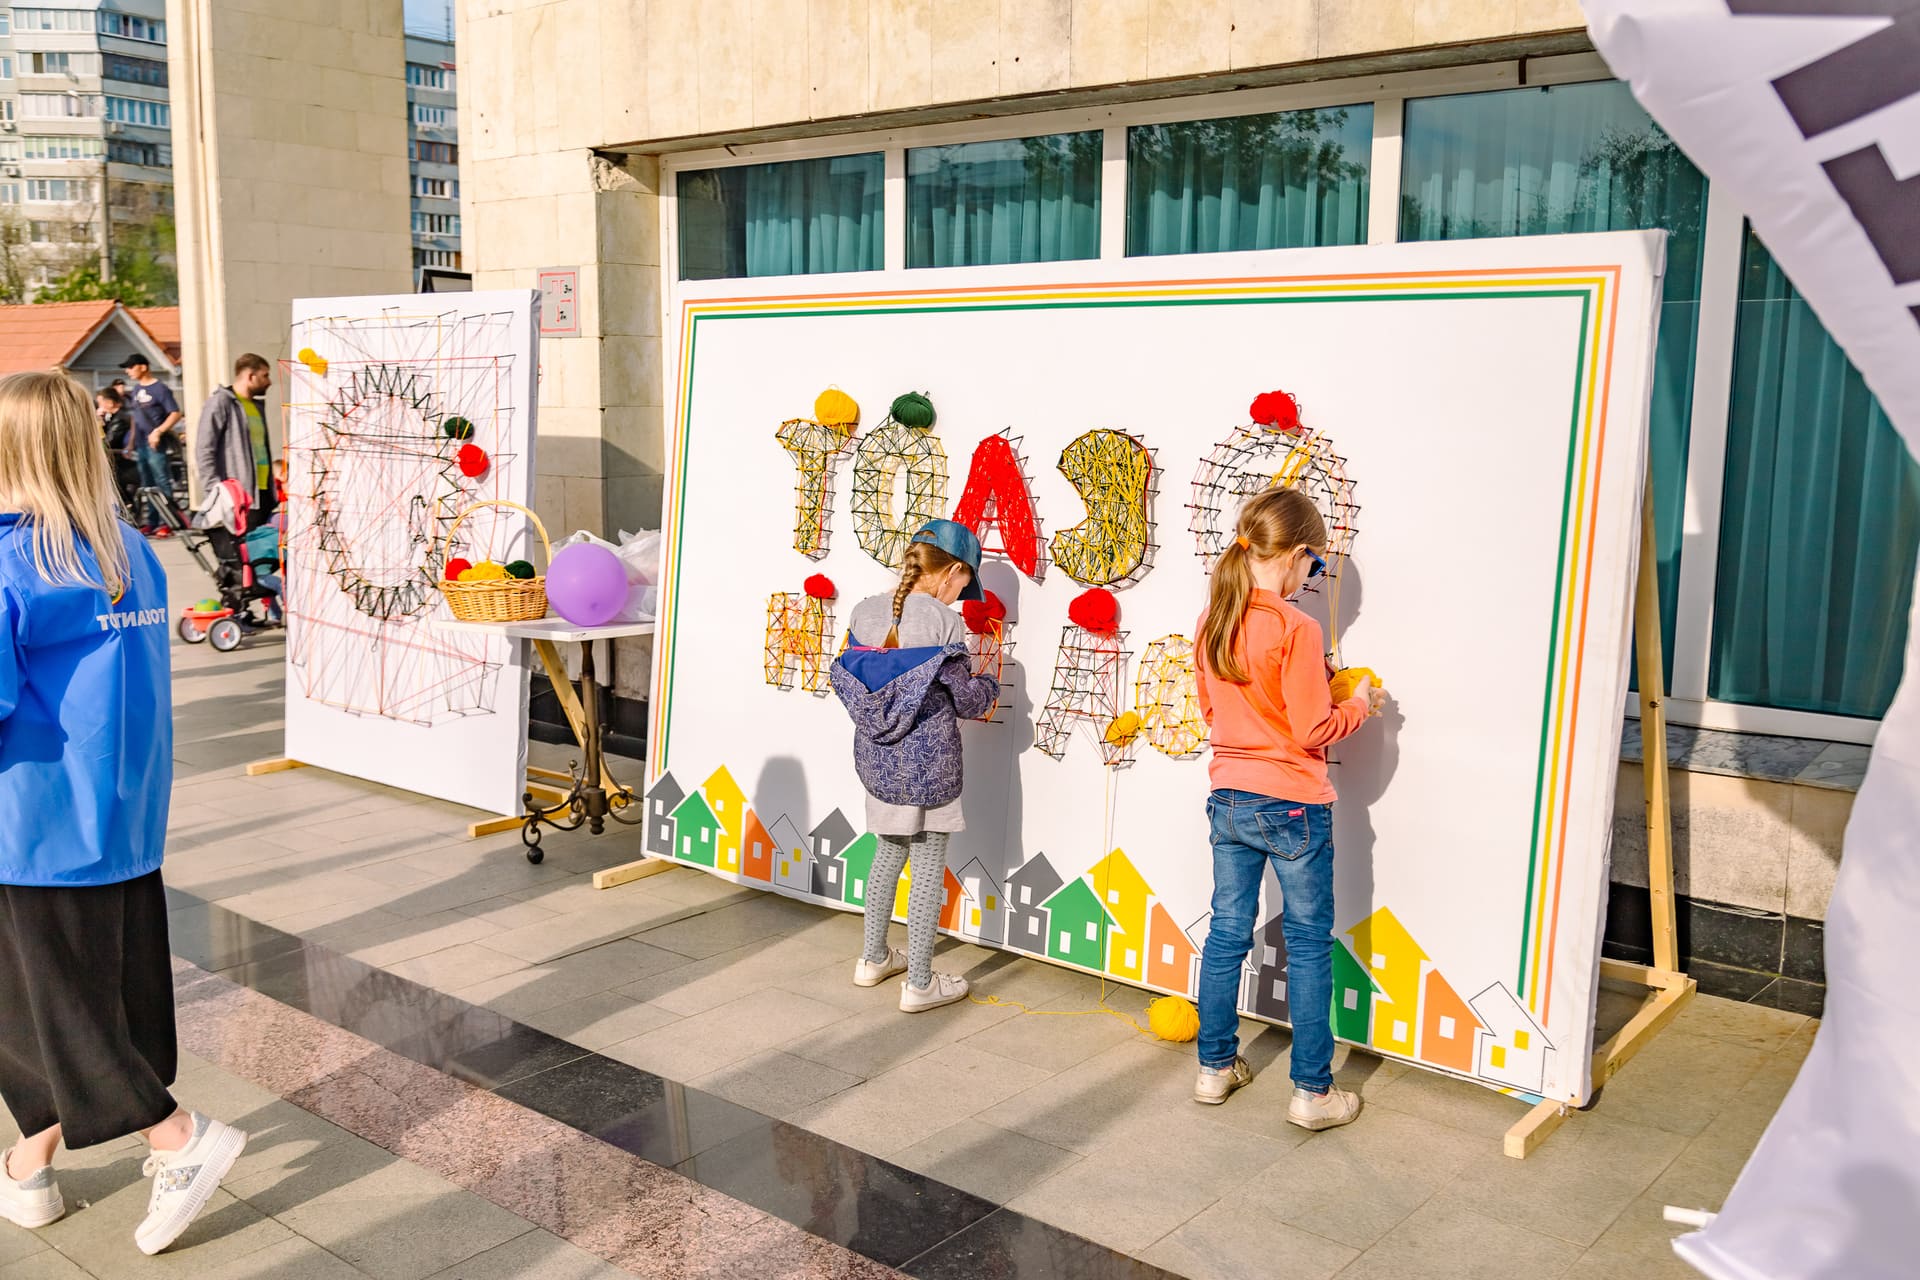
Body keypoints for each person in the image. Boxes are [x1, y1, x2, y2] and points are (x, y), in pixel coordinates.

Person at [0, 372, 249, 1254]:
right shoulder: (129, 550)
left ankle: (176, 1138)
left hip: (32, 827)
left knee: (55, 1006)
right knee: (73, 998)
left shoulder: (11, 559)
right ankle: (28, 1164)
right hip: (122, 818)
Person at [1191, 486, 1389, 1130]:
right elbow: (1312, 729)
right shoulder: (1296, 627)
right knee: (1306, 944)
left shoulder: (1213, 618)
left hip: (1228, 796)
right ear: (1299, 553)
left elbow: (1213, 712)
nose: (1314, 576)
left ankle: (1214, 1068)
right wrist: (1358, 703)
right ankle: (1312, 1092)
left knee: (1227, 932)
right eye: (1317, 564)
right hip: (1294, 805)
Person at [829, 519, 999, 1013]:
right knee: (927, 867)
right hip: (930, 765)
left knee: (886, 854)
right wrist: (990, 682)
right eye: (965, 582)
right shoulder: (945, 623)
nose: (963, 594)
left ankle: (872, 959)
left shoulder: (862, 612)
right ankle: (921, 983)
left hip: (878, 763)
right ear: (953, 571)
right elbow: (967, 700)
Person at [191, 353, 276, 525]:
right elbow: (204, 449)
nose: (269, 381)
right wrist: (215, 490)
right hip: (237, 497)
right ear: (250, 376)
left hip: (263, 493)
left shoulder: (256, 406)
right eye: (265, 375)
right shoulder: (221, 402)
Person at [118, 354, 181, 536]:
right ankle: (152, 521)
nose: (128, 371)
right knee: (147, 484)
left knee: (161, 482)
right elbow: (135, 418)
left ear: (143, 367)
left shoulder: (160, 389)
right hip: (141, 445)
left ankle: (168, 522)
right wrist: (130, 443)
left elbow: (175, 413)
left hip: (156, 445)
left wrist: (159, 431)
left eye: (131, 367)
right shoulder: (136, 389)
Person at [95, 386, 140, 513]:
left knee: (110, 479)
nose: (99, 407)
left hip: (125, 463)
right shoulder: (113, 417)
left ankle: (127, 505)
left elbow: (108, 442)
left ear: (110, 403)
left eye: (100, 403)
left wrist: (98, 423)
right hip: (119, 460)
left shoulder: (121, 418)